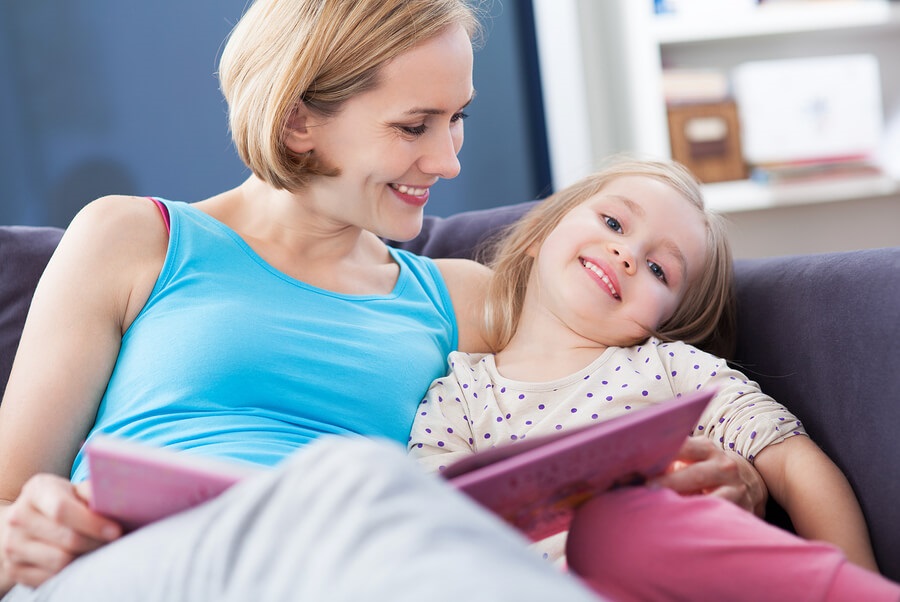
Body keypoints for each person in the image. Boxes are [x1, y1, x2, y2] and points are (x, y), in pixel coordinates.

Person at [0, 1, 775, 600]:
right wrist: (24, 529)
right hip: (127, 569)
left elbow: (613, 386)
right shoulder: (135, 239)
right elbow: (8, 499)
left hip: (371, 572)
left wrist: (731, 477)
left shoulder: (466, 302)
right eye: (414, 126)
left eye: (458, 118)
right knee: (361, 480)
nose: (447, 158)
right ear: (300, 119)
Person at [409, 157, 900, 599]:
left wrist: (860, 579)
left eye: (659, 270)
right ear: (540, 232)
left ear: (663, 321)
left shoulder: (670, 367)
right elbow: (430, 529)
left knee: (617, 526)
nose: (627, 254)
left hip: (668, 575)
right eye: (613, 222)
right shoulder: (458, 395)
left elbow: (795, 466)